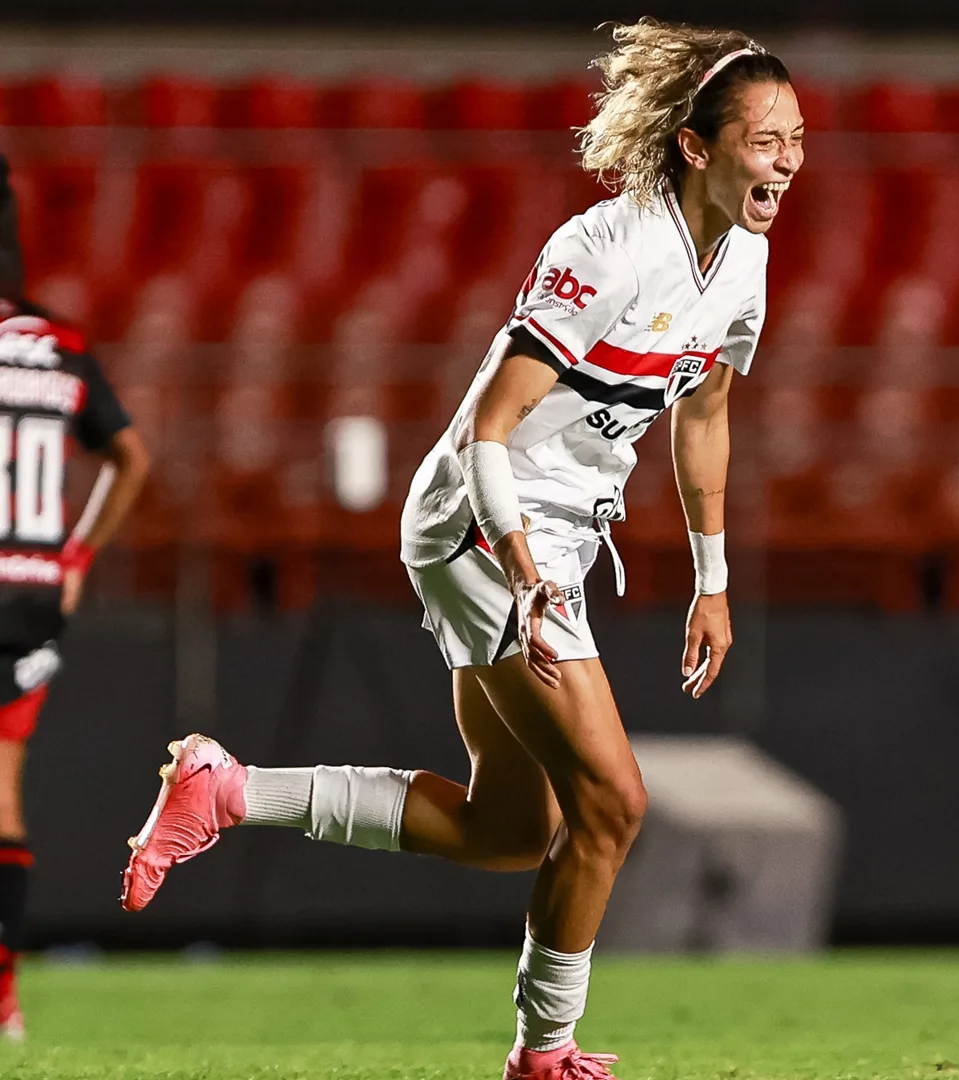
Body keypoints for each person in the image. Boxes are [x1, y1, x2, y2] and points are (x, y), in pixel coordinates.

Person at [117, 20, 801, 1080]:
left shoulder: (745, 263)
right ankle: (545, 1056)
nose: (790, 157)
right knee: (615, 804)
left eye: (797, 136)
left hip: (556, 538)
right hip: (487, 520)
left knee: (508, 829)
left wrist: (713, 579)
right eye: (766, 138)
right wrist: (528, 578)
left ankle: (229, 789)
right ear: (698, 148)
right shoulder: (606, 247)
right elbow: (490, 426)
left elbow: (704, 411)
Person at [0, 154, 152, 1041]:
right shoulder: (59, 343)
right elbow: (132, 456)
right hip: (30, 591)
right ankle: (5, 999)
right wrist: (79, 553)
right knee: (4, 796)